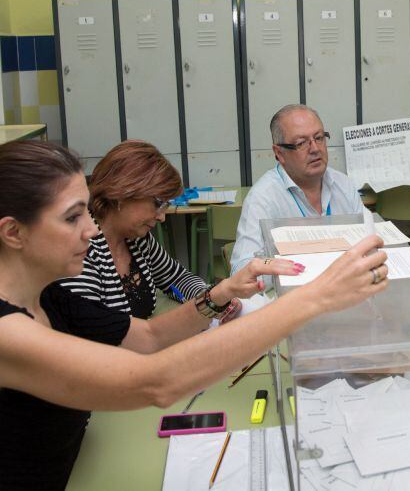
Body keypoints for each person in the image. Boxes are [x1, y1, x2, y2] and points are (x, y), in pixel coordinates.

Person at [0, 140, 388, 490]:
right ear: (13, 233)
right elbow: (155, 381)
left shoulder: (50, 298)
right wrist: (314, 298)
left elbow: (148, 337)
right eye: (72, 218)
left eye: (87, 212)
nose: (90, 230)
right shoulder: (8, 331)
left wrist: (220, 293)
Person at [56, 140, 297, 319]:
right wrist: (216, 297)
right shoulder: (83, 252)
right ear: (122, 194)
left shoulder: (137, 241)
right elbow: (107, 339)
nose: (161, 217)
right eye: (157, 204)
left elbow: (177, 278)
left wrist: (217, 299)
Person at [230, 104, 364, 277]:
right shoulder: (263, 197)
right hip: (292, 297)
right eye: (301, 143)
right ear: (279, 153)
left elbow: (367, 242)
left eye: (319, 137)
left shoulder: (343, 184)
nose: (315, 149)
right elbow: (241, 270)